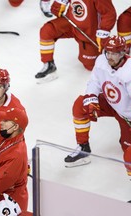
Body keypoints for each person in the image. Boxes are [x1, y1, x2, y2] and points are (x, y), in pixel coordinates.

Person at [64, 36, 131, 177]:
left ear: (123, 53)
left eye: (115, 53)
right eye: (108, 52)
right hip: (110, 103)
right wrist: (91, 99)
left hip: (127, 116)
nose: (110, 57)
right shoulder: (102, 60)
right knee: (80, 105)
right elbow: (95, 81)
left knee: (128, 154)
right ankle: (83, 148)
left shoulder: (129, 72)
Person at [35, 0, 116, 83]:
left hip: (89, 33)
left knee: (90, 65)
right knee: (47, 30)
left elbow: (109, 13)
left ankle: (113, 57)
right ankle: (49, 65)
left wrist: (103, 31)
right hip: (71, 24)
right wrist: (60, 3)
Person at [0, 106, 29, 211]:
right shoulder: (5, 137)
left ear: (15, 127)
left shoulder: (17, 154)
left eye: (6, 121)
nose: (1, 122)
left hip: (10, 206)